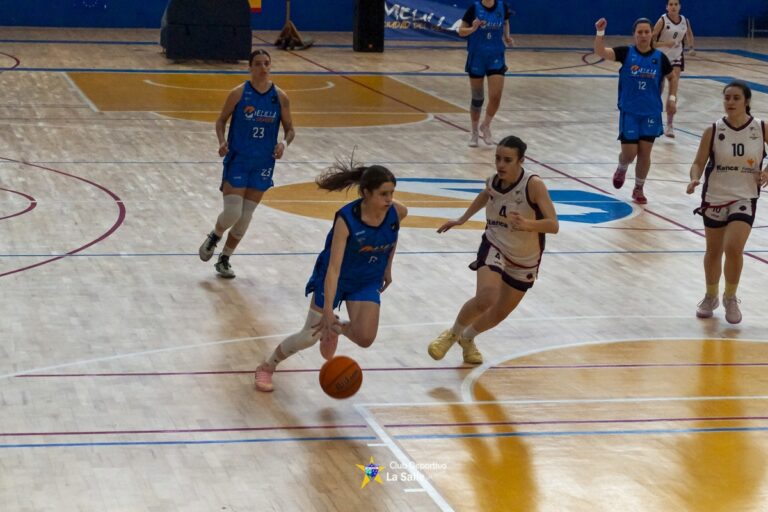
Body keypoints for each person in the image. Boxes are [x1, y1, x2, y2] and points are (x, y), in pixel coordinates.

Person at [254, 162, 408, 392]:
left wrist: (388, 266)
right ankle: (267, 367)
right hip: (337, 276)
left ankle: (336, 329)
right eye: (383, 194)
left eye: (392, 193)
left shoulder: (397, 211)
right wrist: (327, 311)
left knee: (365, 338)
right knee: (309, 336)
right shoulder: (346, 220)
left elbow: (392, 233)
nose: (389, 199)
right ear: (366, 193)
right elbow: (334, 268)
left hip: (366, 278)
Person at [427, 135, 558, 364]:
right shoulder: (493, 181)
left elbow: (553, 225)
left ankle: (467, 339)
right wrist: (462, 219)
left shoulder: (533, 185)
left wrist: (528, 224)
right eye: (498, 158)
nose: (500, 164)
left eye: (507, 160)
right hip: (495, 243)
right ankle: (451, 334)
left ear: (521, 161)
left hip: (525, 258)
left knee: (498, 313)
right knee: (486, 297)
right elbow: (486, 194)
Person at [198, 49, 294, 278]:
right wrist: (222, 142)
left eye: (266, 64)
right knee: (232, 213)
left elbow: (290, 129)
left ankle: (225, 259)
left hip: (263, 162)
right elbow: (220, 121)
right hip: (239, 159)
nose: (263, 68)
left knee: (246, 216)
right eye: (258, 64)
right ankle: (215, 235)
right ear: (250, 67)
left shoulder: (280, 97)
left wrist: (283, 145)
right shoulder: (239, 93)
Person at [686, 81, 768, 324]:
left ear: (747, 102)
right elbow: (698, 162)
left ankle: (730, 297)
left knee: (733, 248)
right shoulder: (713, 130)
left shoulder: (761, 128)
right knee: (713, 251)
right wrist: (693, 179)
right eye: (727, 98)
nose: (730, 102)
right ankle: (711, 296)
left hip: (745, 196)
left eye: (735, 98)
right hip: (715, 195)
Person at [594, 17, 676, 204]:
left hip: (651, 112)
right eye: (640, 32)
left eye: (647, 32)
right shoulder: (626, 53)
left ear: (651, 34)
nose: (644, 35)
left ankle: (638, 188)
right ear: (634, 35)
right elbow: (600, 51)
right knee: (630, 153)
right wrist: (600, 33)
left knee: (645, 153)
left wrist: (672, 99)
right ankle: (622, 166)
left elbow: (673, 77)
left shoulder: (659, 58)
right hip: (630, 111)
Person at [458, 0, 515, 147]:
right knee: (478, 99)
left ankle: (486, 125)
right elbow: (461, 31)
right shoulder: (474, 8)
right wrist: (473, 28)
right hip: (477, 56)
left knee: (495, 97)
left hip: (496, 56)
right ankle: (475, 131)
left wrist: (507, 37)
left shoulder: (503, 7)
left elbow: (506, 22)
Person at [652, 0, 695, 138]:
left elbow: (689, 34)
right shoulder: (662, 21)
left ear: (680, 6)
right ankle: (653, 119)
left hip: (676, 58)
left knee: (673, 92)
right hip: (660, 58)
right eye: (671, 4)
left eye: (676, 4)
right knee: (658, 90)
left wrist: (691, 47)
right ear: (666, 7)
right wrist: (665, 43)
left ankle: (670, 125)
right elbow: (651, 42)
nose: (673, 6)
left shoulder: (684, 21)